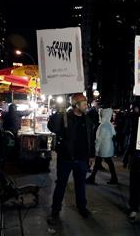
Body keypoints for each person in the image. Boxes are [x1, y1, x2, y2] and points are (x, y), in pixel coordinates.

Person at [47, 94, 94, 225]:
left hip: (82, 159)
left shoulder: (88, 119)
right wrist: (59, 112)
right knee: (61, 185)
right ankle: (55, 211)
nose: (86, 105)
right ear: (76, 105)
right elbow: (53, 127)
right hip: (66, 158)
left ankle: (82, 207)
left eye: (86, 103)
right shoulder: (65, 117)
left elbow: (91, 138)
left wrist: (91, 155)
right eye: (84, 103)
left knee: (80, 185)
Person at [86, 108, 118, 185]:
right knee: (104, 162)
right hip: (108, 146)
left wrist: (96, 147)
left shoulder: (102, 125)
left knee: (101, 162)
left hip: (103, 147)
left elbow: (99, 139)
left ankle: (93, 178)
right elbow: (114, 134)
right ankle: (113, 178)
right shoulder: (109, 124)